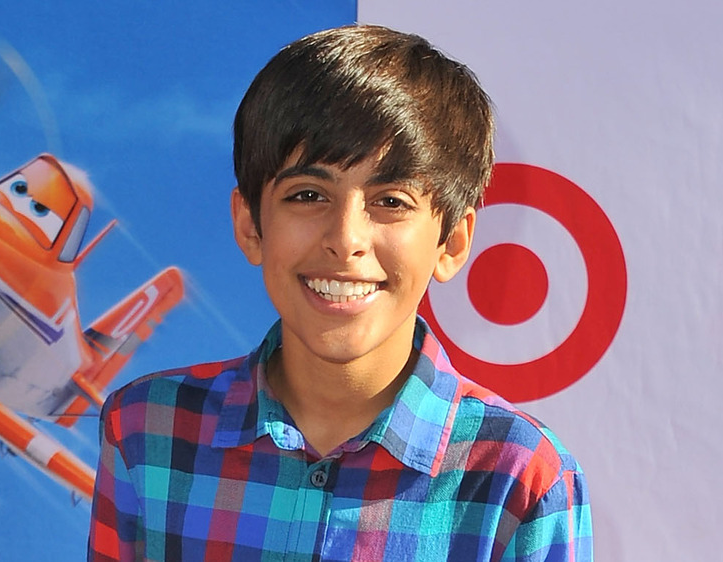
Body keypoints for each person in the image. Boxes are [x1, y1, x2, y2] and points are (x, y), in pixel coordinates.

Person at [88, 24, 592, 562]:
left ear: (452, 241)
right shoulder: (148, 430)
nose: (345, 241)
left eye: (391, 201)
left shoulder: (521, 479)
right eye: (308, 194)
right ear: (249, 225)